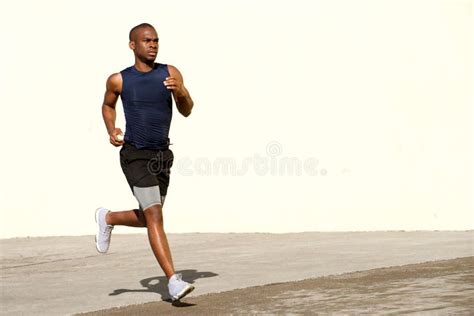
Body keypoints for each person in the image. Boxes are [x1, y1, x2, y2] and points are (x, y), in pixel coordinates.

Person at [96, 22, 195, 302]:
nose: (153, 45)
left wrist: (181, 92)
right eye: (147, 41)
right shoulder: (120, 79)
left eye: (156, 41)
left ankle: (108, 217)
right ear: (133, 45)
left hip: (162, 156)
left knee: (151, 216)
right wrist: (111, 129)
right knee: (154, 215)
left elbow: (186, 110)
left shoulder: (169, 73)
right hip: (134, 153)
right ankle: (173, 281)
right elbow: (107, 105)